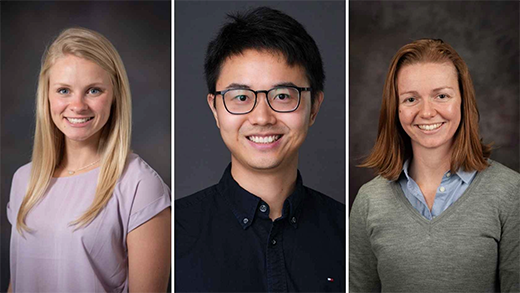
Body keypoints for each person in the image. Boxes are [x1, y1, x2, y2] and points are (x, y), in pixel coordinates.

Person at [175, 7, 345, 293]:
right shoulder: (175, 231)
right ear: (215, 109)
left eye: (282, 96)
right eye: (241, 97)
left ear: (314, 106)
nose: (262, 117)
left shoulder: (347, 232)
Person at [6, 28, 171, 292]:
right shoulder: (24, 180)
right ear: (46, 96)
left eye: (93, 90)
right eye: (64, 90)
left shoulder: (140, 185)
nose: (78, 105)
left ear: (115, 94)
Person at [349, 38, 520, 292]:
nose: (427, 112)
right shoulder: (369, 200)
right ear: (395, 108)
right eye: (410, 99)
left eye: (441, 95)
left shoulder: (510, 192)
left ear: (463, 101)